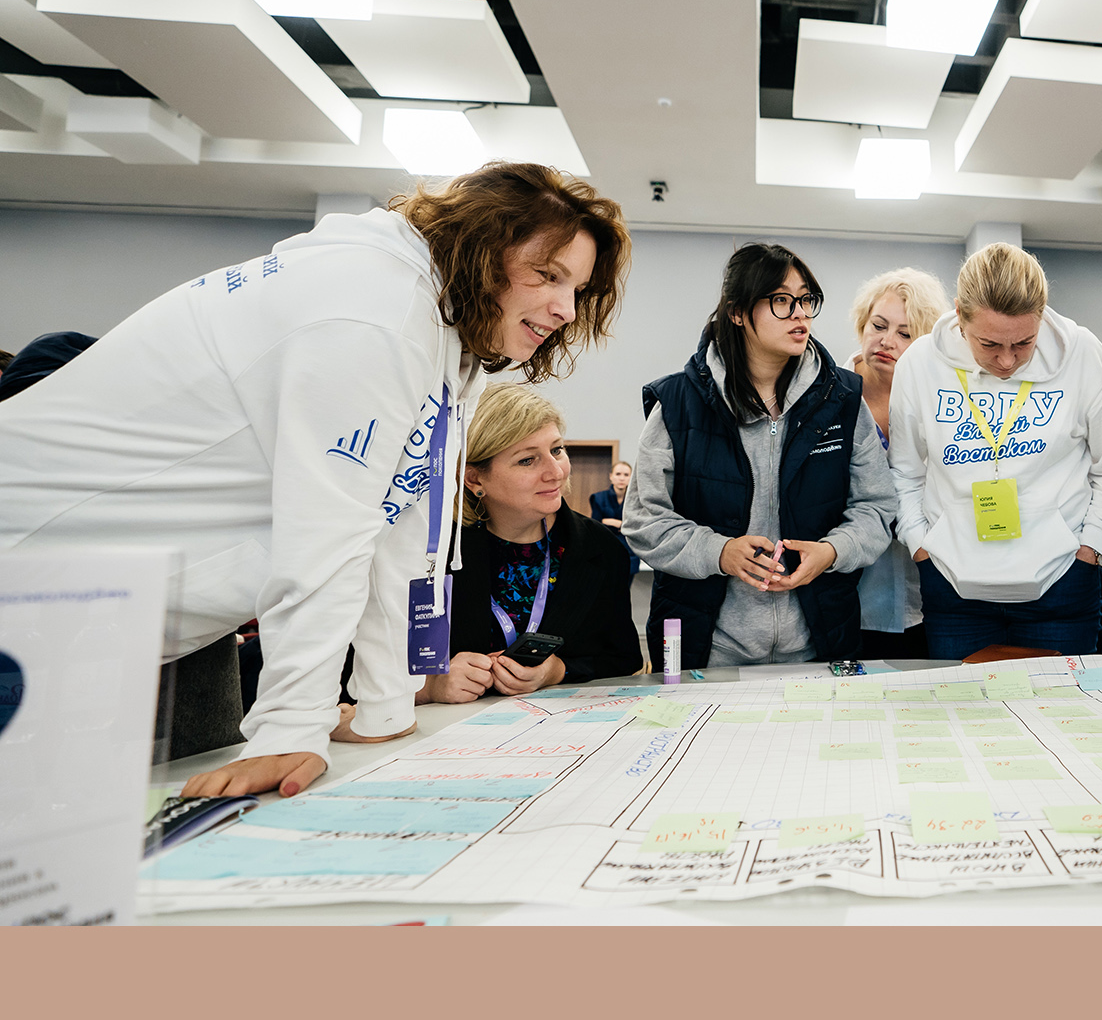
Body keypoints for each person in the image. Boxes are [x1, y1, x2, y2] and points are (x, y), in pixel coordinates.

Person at [0, 162, 630, 798]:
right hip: (29, 587)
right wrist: (291, 728)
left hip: (126, 616)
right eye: (547, 275)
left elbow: (398, 530)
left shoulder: (434, 332)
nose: (565, 309)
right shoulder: (371, 314)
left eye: (576, 288)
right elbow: (329, 533)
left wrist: (387, 706)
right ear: (480, 249)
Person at [623, 243, 897, 668]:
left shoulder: (842, 399)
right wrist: (718, 551)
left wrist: (832, 551)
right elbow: (643, 519)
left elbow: (876, 507)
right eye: (781, 301)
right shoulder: (678, 403)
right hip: (708, 647)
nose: (800, 314)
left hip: (818, 641)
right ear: (737, 312)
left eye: (806, 299)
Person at [889, 243, 1102, 659]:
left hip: (1063, 582)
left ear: (1042, 315)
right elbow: (904, 472)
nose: (1007, 361)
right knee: (961, 702)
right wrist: (921, 546)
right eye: (989, 344)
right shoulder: (919, 363)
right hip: (952, 585)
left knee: (1063, 702)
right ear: (959, 316)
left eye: (1024, 342)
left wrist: (1092, 547)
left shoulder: (1082, 354)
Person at [417, 384, 640, 703]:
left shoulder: (601, 548)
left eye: (557, 450)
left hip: (559, 727)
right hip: (450, 729)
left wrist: (558, 670)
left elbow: (623, 658)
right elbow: (360, 668)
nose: (556, 472)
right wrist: (428, 687)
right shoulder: (430, 551)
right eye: (527, 460)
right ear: (474, 479)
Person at [846, 267, 952, 659]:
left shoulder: (940, 400)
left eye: (905, 334)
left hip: (925, 592)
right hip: (848, 594)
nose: (886, 341)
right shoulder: (830, 395)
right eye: (878, 326)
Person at [589, 460, 640, 576]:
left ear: (631, 478)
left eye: (626, 475)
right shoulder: (598, 498)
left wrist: (614, 522)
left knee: (627, 585)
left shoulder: (637, 500)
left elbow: (638, 526)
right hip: (606, 550)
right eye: (618, 474)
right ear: (611, 476)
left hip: (630, 551)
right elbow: (595, 526)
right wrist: (625, 525)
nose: (622, 478)